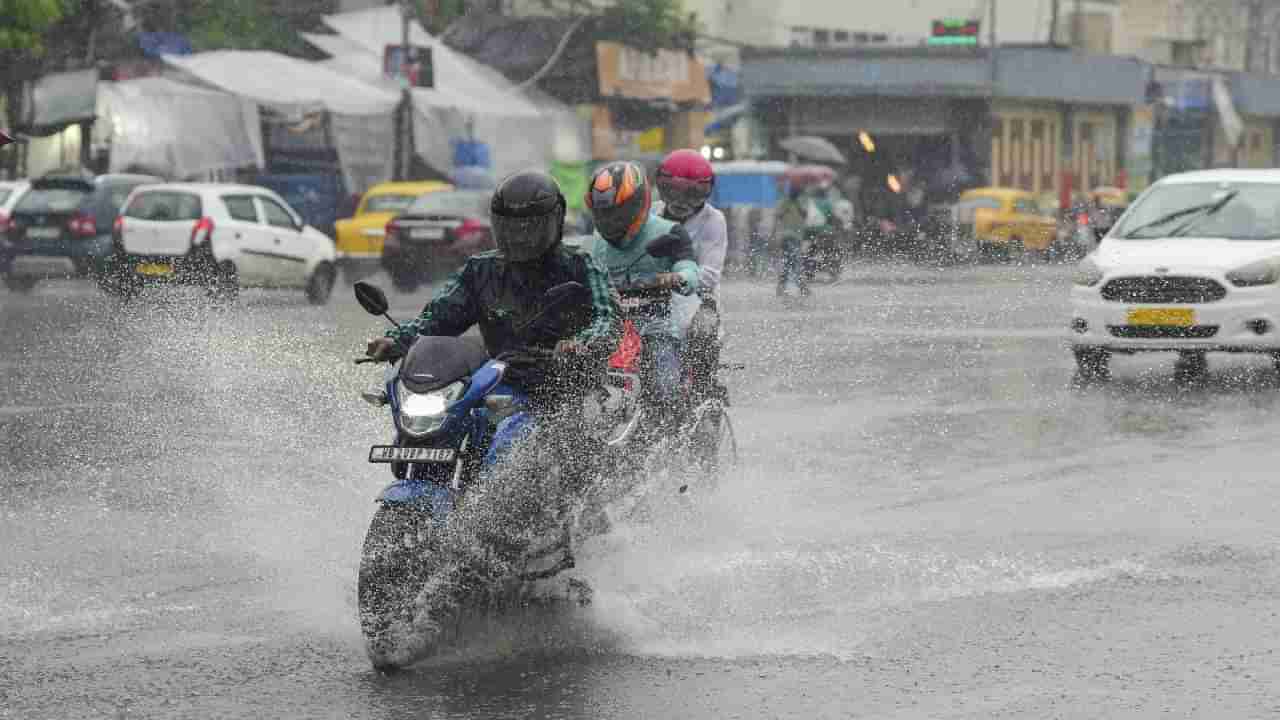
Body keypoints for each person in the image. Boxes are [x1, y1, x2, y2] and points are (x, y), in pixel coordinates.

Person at [365, 170, 619, 465]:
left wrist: (579, 344)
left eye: (530, 227)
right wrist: (396, 340)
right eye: (510, 227)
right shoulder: (480, 269)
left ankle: (567, 507)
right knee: (450, 428)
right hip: (499, 381)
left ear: (555, 222)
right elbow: (437, 317)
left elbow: (607, 319)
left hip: (565, 386)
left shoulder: (582, 265)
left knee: (571, 455)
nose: (520, 236)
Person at [583, 160, 700, 432]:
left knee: (663, 386)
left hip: (655, 327)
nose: (611, 222)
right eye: (605, 214)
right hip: (610, 330)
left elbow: (689, 265)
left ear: (640, 203)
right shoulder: (597, 244)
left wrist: (678, 277)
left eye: (618, 213)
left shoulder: (668, 232)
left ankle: (671, 433)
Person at [654, 149, 727, 399]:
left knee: (703, 334)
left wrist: (677, 278)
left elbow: (710, 275)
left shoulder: (714, 220)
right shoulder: (650, 215)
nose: (682, 201)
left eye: (693, 194)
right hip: (650, 297)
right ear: (662, 188)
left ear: (706, 193)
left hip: (697, 301)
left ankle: (703, 394)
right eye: (673, 192)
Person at [774, 182, 811, 298]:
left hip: (797, 236)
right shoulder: (785, 201)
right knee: (794, 261)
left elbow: (804, 214)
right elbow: (778, 215)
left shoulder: (802, 202)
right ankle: (802, 287)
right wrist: (787, 205)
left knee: (788, 263)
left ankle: (782, 287)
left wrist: (797, 204)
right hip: (787, 236)